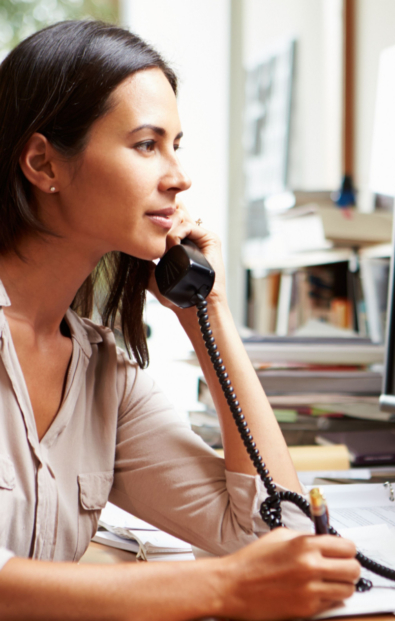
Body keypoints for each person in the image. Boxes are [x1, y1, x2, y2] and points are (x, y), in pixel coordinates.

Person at [0, 20, 360, 620]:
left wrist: (207, 313)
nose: (178, 176)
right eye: (146, 144)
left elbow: (277, 533)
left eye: (176, 144)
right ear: (44, 163)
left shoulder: (102, 378)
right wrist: (221, 588)